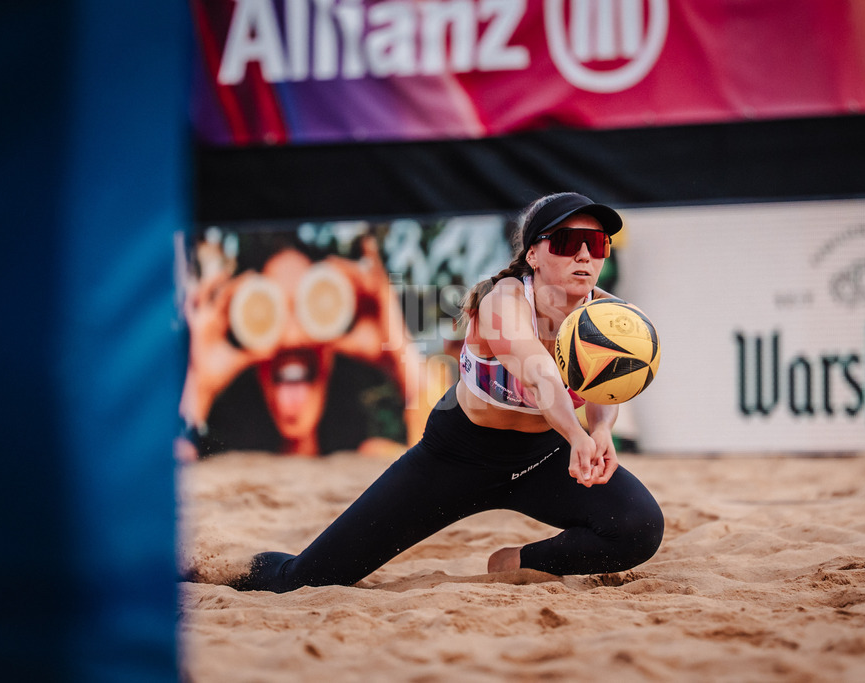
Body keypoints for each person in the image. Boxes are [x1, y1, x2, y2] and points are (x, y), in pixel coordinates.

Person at [226, 193, 664, 592]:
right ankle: (220, 565)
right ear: (533, 253)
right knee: (306, 580)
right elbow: (539, 375)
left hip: (542, 457)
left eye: (598, 243)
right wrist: (578, 436)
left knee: (637, 528)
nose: (585, 255)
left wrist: (602, 431)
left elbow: (610, 386)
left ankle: (518, 561)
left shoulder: (611, 317)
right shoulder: (503, 301)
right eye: (568, 242)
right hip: (458, 456)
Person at [178, 230, 435, 459]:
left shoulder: (370, 459)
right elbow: (153, 491)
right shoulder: (225, 469)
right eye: (271, 314)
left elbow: (446, 469)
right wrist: (198, 389)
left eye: (309, 311)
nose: (291, 336)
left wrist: (398, 354)